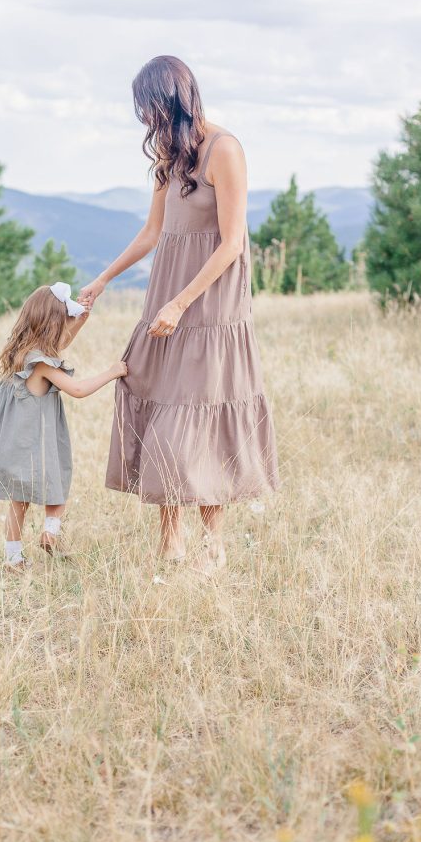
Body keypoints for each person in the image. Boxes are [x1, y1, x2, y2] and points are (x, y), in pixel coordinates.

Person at [80, 56, 279, 575]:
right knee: (160, 412)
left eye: (148, 107)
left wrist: (181, 302)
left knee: (201, 421)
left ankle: (214, 544)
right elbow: (151, 234)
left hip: (210, 307)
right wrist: (104, 279)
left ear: (170, 100)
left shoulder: (225, 149)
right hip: (167, 300)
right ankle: (170, 545)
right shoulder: (170, 157)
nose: (144, 119)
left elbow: (232, 243)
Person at [0, 282, 127, 571]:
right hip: (37, 440)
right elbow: (77, 389)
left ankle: (14, 558)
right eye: (63, 322)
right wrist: (112, 373)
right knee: (58, 483)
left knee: (18, 501)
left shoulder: (21, 353)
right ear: (52, 324)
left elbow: (59, 345)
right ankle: (50, 531)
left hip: (12, 440)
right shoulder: (43, 365)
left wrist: (80, 321)